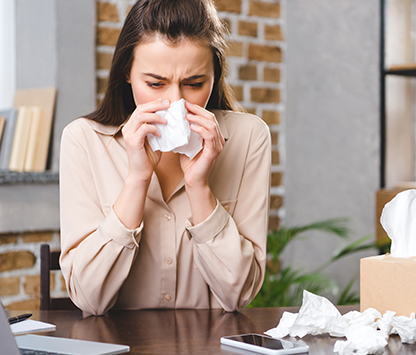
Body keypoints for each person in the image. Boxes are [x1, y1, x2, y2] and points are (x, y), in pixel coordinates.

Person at [59, 0, 271, 316]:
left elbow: (238, 294)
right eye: (155, 84)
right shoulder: (84, 141)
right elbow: (90, 300)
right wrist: (136, 180)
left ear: (215, 76)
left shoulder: (248, 137)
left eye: (194, 84)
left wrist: (200, 188)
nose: (175, 102)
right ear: (127, 74)